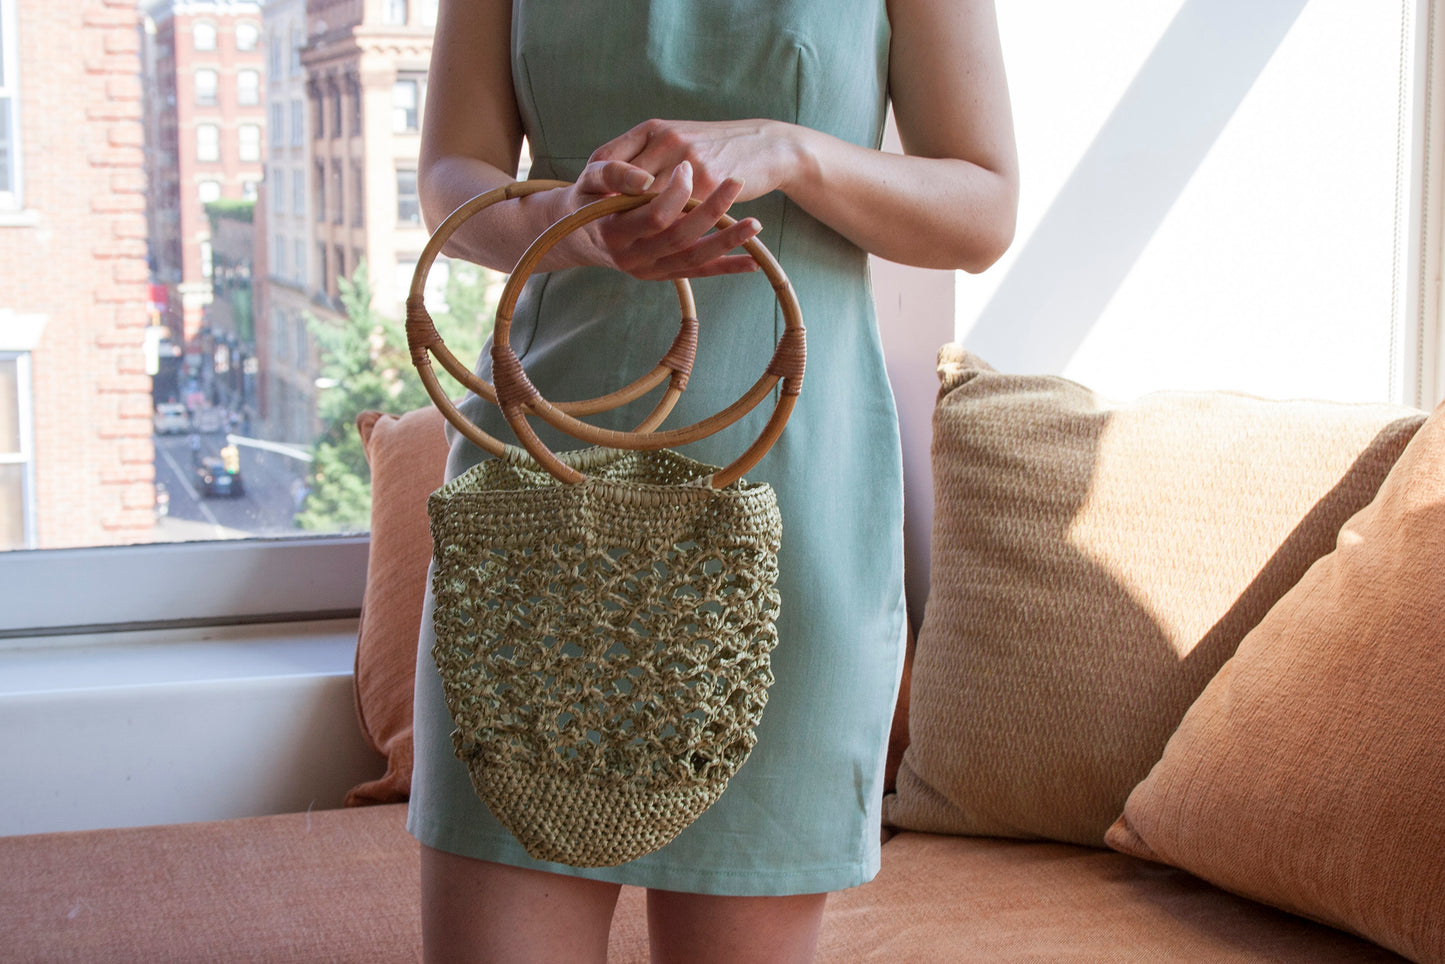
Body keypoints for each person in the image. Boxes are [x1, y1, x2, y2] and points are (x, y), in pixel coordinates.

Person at [410, 2, 1018, 961]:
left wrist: (789, 151)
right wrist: (571, 225)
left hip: (792, 500)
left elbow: (980, 211)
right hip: (537, 502)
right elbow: (452, 176)